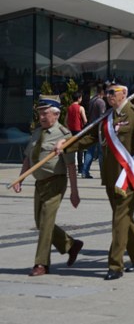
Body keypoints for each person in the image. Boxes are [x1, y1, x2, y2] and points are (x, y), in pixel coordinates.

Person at [58, 82, 134, 280]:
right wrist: (66, 146)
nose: (108, 96)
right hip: (111, 177)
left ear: (124, 94)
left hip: (128, 178)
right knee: (125, 220)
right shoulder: (107, 118)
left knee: (119, 221)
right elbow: (89, 139)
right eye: (107, 93)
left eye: (113, 92)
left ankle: (115, 265)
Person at [10, 95, 83, 277]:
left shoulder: (65, 135)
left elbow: (71, 166)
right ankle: (70, 245)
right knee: (40, 222)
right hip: (39, 183)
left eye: (46, 113)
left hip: (55, 183)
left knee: (46, 223)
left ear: (56, 114)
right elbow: (28, 157)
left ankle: (41, 263)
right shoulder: (37, 132)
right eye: (40, 113)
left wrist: (74, 192)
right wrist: (21, 178)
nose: (42, 117)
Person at [81, 84, 105, 178]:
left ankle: (84, 171)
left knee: (90, 151)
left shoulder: (92, 101)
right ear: (102, 92)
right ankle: (103, 173)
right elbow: (102, 116)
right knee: (101, 152)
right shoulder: (101, 102)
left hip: (91, 127)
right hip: (99, 129)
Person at [66, 91, 87, 175]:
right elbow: (85, 120)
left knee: (71, 149)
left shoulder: (69, 108)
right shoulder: (81, 108)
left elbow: (65, 121)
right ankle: (80, 169)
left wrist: (68, 128)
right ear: (79, 98)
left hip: (71, 131)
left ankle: (71, 167)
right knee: (80, 150)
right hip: (79, 130)